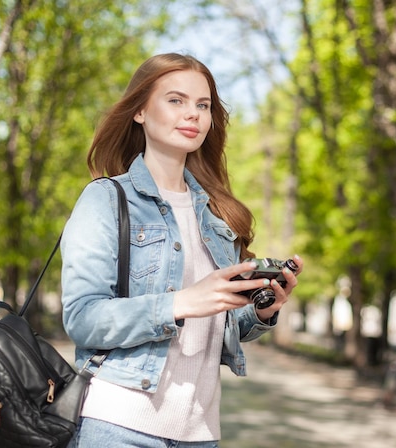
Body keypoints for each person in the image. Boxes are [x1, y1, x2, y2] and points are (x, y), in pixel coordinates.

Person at [60, 53, 302, 448]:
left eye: (202, 105)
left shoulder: (219, 217)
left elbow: (213, 327)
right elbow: (83, 318)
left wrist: (260, 310)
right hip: (119, 425)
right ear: (140, 110)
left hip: (199, 433)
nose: (192, 114)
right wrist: (182, 301)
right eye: (176, 100)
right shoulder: (106, 199)